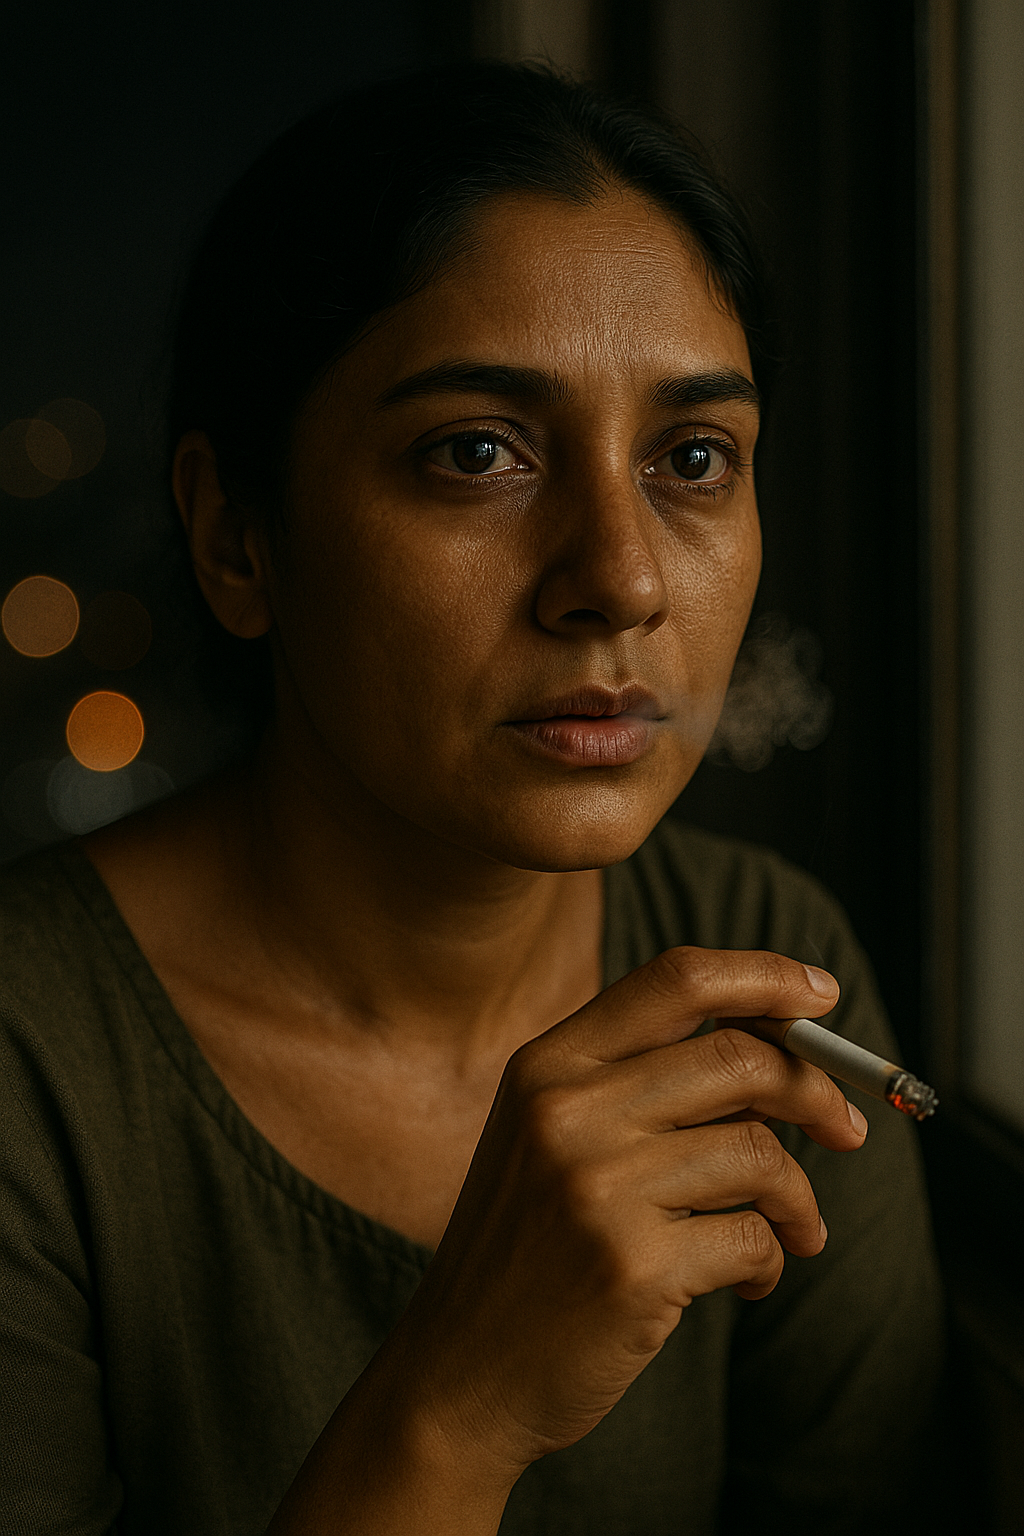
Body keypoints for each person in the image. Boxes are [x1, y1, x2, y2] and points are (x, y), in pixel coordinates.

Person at [0, 61, 942, 1536]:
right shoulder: (34, 1067)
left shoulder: (769, 967)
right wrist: (461, 1402)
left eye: (693, 458)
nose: (621, 579)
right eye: (476, 454)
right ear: (239, 537)